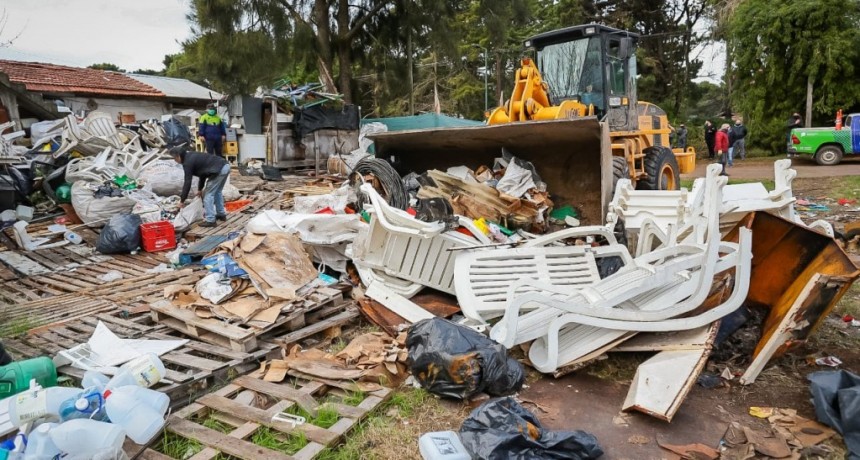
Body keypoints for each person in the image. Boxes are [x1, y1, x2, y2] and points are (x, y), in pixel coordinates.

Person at [171, 147, 230, 227]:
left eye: (175, 158)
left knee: (208, 195)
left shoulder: (187, 163)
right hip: (225, 166)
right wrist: (199, 189)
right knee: (217, 192)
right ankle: (221, 214)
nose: (176, 161)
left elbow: (187, 182)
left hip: (218, 170)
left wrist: (182, 201)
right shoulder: (191, 155)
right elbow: (203, 174)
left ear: (178, 156)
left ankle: (210, 220)